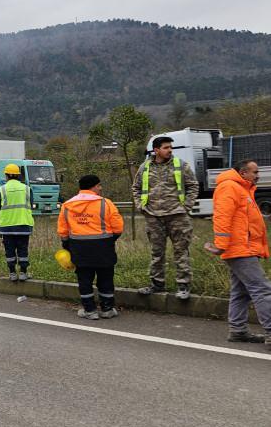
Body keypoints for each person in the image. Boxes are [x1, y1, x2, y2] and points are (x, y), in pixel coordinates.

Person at [206, 160, 271, 349]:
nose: (258, 175)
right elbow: (222, 217)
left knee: (241, 291)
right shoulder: (230, 187)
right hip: (239, 248)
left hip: (243, 246)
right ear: (243, 173)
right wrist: (221, 244)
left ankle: (238, 331)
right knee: (262, 289)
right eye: (255, 172)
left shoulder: (242, 188)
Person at [132, 136, 199, 299]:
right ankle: (157, 284)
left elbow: (193, 186)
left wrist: (186, 207)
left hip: (177, 216)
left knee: (181, 251)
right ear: (156, 150)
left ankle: (183, 286)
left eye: (171, 147)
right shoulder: (145, 167)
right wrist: (141, 206)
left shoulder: (180, 165)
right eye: (166, 147)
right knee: (157, 252)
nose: (170, 150)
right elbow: (136, 188)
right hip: (153, 217)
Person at [58, 175, 124, 320]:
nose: (100, 188)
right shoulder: (106, 203)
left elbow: (63, 230)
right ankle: (107, 309)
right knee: (105, 278)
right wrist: (111, 239)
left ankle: (90, 310)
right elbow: (118, 227)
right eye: (99, 185)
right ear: (93, 186)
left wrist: (66, 244)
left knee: (84, 279)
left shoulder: (67, 205)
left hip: (79, 248)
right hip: (103, 247)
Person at [0, 163, 34, 282]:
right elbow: (31, 205)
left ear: (6, 175)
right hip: (23, 225)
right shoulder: (27, 189)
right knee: (23, 249)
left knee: (9, 250)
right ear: (18, 175)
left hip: (7, 227)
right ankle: (23, 273)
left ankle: (12, 273)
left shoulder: (2, 189)